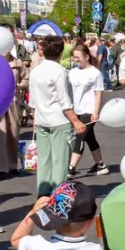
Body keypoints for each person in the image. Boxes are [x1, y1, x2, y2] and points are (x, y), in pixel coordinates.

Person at [29, 35, 84, 196]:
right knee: (60, 160)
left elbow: (33, 100)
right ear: (60, 52)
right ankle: (58, 194)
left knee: (43, 159)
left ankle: (43, 193)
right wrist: (76, 121)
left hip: (41, 118)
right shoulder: (60, 71)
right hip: (59, 120)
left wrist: (34, 119)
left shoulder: (36, 70)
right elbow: (64, 100)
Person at [67, 43, 107, 176]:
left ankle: (71, 168)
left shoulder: (95, 73)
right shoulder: (72, 72)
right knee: (89, 137)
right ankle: (100, 164)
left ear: (87, 56)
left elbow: (98, 93)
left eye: (78, 57)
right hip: (76, 110)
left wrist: (96, 112)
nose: (76, 60)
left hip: (89, 110)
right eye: (74, 57)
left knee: (80, 137)